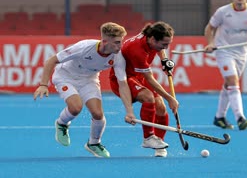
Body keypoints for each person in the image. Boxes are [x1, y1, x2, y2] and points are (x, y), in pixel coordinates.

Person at [33, 22, 133, 158]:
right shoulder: (84, 47)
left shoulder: (118, 56)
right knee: (75, 108)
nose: (120, 46)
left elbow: (123, 84)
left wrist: (130, 112)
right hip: (65, 76)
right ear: (104, 41)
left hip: (89, 80)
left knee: (98, 114)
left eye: (121, 42)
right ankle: (62, 123)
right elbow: (52, 60)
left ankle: (94, 143)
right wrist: (43, 84)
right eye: (116, 43)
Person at [109, 21, 179, 157]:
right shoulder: (137, 51)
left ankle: (159, 144)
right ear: (153, 39)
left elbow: (160, 49)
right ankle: (148, 138)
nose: (166, 47)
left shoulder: (151, 33)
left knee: (161, 107)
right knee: (148, 97)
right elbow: (150, 79)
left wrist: (164, 60)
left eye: (168, 44)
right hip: (122, 80)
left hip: (137, 76)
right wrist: (170, 98)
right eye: (164, 44)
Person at [204, 0, 247, 130]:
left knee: (229, 84)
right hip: (224, 50)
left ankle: (219, 117)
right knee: (233, 81)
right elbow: (209, 28)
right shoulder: (223, 12)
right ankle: (240, 117)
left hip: (241, 53)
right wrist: (210, 43)